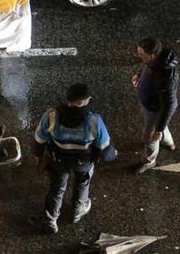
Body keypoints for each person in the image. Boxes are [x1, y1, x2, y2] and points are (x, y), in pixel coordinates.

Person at [29, 83, 117, 234]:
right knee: (83, 183)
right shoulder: (94, 120)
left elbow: (39, 139)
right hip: (84, 162)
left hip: (59, 161)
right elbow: (105, 146)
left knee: (57, 189)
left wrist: (38, 156)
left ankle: (50, 221)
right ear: (82, 102)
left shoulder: (51, 115)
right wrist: (112, 155)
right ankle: (77, 210)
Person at [131, 38, 179, 174]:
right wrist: (139, 75)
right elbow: (147, 66)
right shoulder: (156, 61)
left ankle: (149, 161)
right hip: (150, 105)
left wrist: (157, 130)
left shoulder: (165, 78)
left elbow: (170, 104)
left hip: (155, 109)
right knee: (160, 127)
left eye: (141, 55)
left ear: (152, 55)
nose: (139, 56)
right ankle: (169, 142)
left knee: (150, 138)